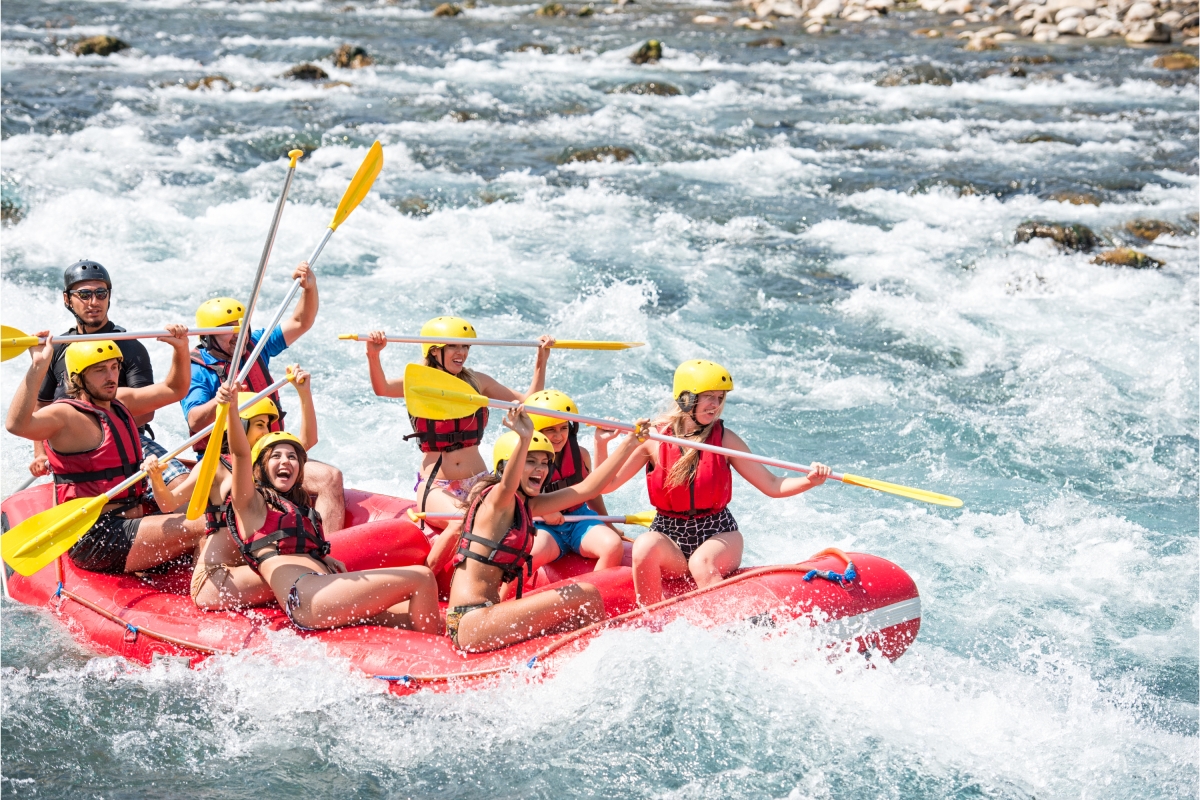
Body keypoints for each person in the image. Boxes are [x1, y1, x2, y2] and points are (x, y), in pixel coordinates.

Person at [599, 360, 833, 606]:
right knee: (644, 545)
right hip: (669, 535)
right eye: (709, 397)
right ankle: (649, 621)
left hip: (718, 533)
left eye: (720, 398)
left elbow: (773, 485)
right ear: (686, 399)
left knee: (702, 563)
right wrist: (601, 443)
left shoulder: (725, 440)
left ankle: (730, 626)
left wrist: (810, 481)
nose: (716, 405)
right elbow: (606, 485)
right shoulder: (653, 439)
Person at [222, 384, 440, 633]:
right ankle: (440, 663)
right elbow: (240, 455)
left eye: (292, 457)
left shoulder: (296, 508)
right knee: (422, 578)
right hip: (306, 597)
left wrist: (323, 557)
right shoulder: (251, 505)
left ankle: (431, 650)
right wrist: (231, 408)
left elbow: (294, 550)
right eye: (276, 456)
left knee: (410, 615)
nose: (286, 461)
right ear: (260, 467)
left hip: (322, 591)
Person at [441, 406, 647, 653]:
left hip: (487, 617)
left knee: (579, 604)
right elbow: (507, 483)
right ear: (507, 466)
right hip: (471, 622)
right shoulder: (496, 499)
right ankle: (592, 658)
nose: (540, 469)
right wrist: (525, 437)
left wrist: (630, 442)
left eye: (544, 463)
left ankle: (572, 654)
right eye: (530, 461)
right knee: (587, 595)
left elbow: (587, 489)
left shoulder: (528, 503)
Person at [5, 330, 208, 573]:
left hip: (135, 517)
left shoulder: (119, 401)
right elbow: (17, 425)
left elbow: (174, 389)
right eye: (100, 370)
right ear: (78, 377)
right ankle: (206, 593)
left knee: (214, 508)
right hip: (97, 537)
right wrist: (39, 366)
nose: (111, 376)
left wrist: (180, 348)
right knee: (208, 525)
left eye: (114, 367)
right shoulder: (65, 416)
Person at [182, 263, 345, 532]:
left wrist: (309, 289)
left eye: (241, 325)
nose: (237, 333)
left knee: (330, 477)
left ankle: (331, 553)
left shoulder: (254, 346)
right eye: (227, 329)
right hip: (229, 459)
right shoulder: (198, 370)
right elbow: (196, 421)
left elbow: (300, 322)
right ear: (207, 337)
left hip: (268, 450)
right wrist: (220, 401)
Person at [363, 316, 553, 541]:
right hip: (437, 484)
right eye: (453, 345)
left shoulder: (477, 381)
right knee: (465, 520)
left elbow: (530, 403)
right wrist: (373, 355)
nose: (461, 352)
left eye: (465, 346)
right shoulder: (418, 384)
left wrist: (542, 359)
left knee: (505, 522)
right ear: (434, 350)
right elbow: (382, 388)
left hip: (479, 480)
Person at [143, 368, 319, 611]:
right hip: (217, 578)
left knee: (311, 568)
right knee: (308, 576)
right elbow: (169, 504)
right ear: (240, 423)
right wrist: (156, 478)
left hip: (253, 566)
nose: (266, 432)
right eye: (259, 425)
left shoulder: (265, 465)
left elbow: (305, 443)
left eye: (268, 425)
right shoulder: (215, 465)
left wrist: (304, 393)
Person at [28, 260, 188, 488]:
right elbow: (40, 405)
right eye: (84, 294)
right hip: (68, 447)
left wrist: (93, 429)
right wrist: (40, 453)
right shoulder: (56, 349)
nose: (94, 302)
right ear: (67, 299)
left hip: (127, 438)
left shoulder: (130, 346)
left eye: (101, 294)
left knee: (181, 484)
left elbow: (146, 412)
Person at [523, 390, 626, 574]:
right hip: (543, 525)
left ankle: (593, 597)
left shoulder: (581, 455)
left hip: (579, 519)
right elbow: (513, 501)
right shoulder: (522, 461)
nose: (559, 436)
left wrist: (608, 525)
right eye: (550, 430)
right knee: (529, 558)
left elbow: (592, 493)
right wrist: (545, 511)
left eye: (563, 428)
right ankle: (502, 601)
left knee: (612, 546)